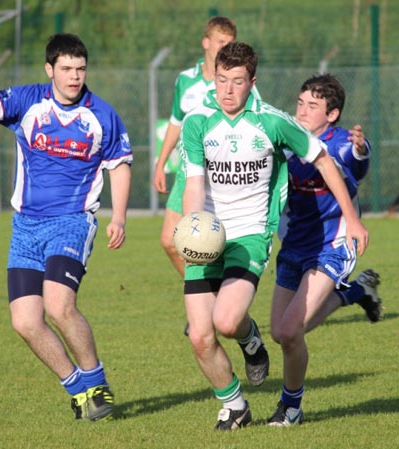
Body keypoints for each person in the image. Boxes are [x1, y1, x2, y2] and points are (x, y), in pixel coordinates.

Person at [180, 42, 368, 431]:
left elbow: (323, 159)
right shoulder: (197, 121)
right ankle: (234, 405)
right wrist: (194, 225)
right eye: (221, 80)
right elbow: (194, 183)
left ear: (253, 82)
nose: (227, 90)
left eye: (237, 82)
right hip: (210, 236)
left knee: (230, 322)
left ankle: (264, 363)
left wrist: (353, 218)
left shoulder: (272, 121)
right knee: (200, 336)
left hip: (250, 235)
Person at [0, 33, 132, 422]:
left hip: (72, 222)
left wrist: (118, 216)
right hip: (25, 228)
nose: (74, 76)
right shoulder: (27, 100)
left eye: (81, 68)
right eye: (67, 69)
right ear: (50, 69)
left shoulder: (101, 114)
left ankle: (97, 382)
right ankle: (78, 391)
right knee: (24, 321)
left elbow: (119, 164)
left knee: (58, 305)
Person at [267, 74, 380, 427]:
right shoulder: (287, 139)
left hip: (333, 245)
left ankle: (291, 408)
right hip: (295, 243)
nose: (302, 111)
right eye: (300, 103)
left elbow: (358, 163)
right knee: (280, 331)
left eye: (312, 106)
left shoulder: (343, 143)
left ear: (332, 115)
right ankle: (356, 291)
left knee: (289, 333)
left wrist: (361, 150)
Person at [152, 16, 261, 280]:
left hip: (223, 172)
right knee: (169, 240)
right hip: (189, 170)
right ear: (206, 42)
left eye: (230, 43)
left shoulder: (239, 82)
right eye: (221, 42)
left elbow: (258, 122)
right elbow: (176, 123)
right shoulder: (186, 81)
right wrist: (161, 163)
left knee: (210, 241)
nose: (225, 47)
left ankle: (216, 295)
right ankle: (207, 288)